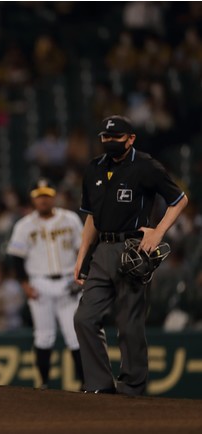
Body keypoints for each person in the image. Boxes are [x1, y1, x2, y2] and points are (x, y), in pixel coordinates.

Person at [73, 115, 188, 395]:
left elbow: (179, 199)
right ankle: (100, 384)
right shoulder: (94, 169)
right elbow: (91, 218)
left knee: (129, 322)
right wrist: (81, 256)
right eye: (106, 137)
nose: (110, 142)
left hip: (132, 250)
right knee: (84, 318)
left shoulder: (145, 166)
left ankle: (132, 387)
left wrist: (158, 232)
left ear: (131, 138)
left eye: (117, 137)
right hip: (102, 249)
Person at [7, 178, 85, 390]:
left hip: (69, 281)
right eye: (39, 196)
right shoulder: (24, 225)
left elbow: (83, 250)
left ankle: (85, 384)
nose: (43, 199)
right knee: (44, 335)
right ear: (33, 199)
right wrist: (25, 285)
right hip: (39, 283)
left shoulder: (70, 219)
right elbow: (16, 257)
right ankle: (44, 383)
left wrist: (82, 276)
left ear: (54, 197)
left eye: (47, 195)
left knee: (75, 335)